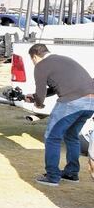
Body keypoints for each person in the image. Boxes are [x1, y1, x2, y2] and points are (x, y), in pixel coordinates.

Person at [25, 43, 94, 186]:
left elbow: (41, 93)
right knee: (71, 135)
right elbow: (59, 86)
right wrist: (34, 96)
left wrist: (38, 103)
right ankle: (71, 173)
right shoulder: (63, 59)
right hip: (91, 101)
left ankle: (52, 176)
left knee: (52, 137)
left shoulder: (41, 65)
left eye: (32, 60)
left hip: (72, 101)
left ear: (35, 56)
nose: (33, 63)